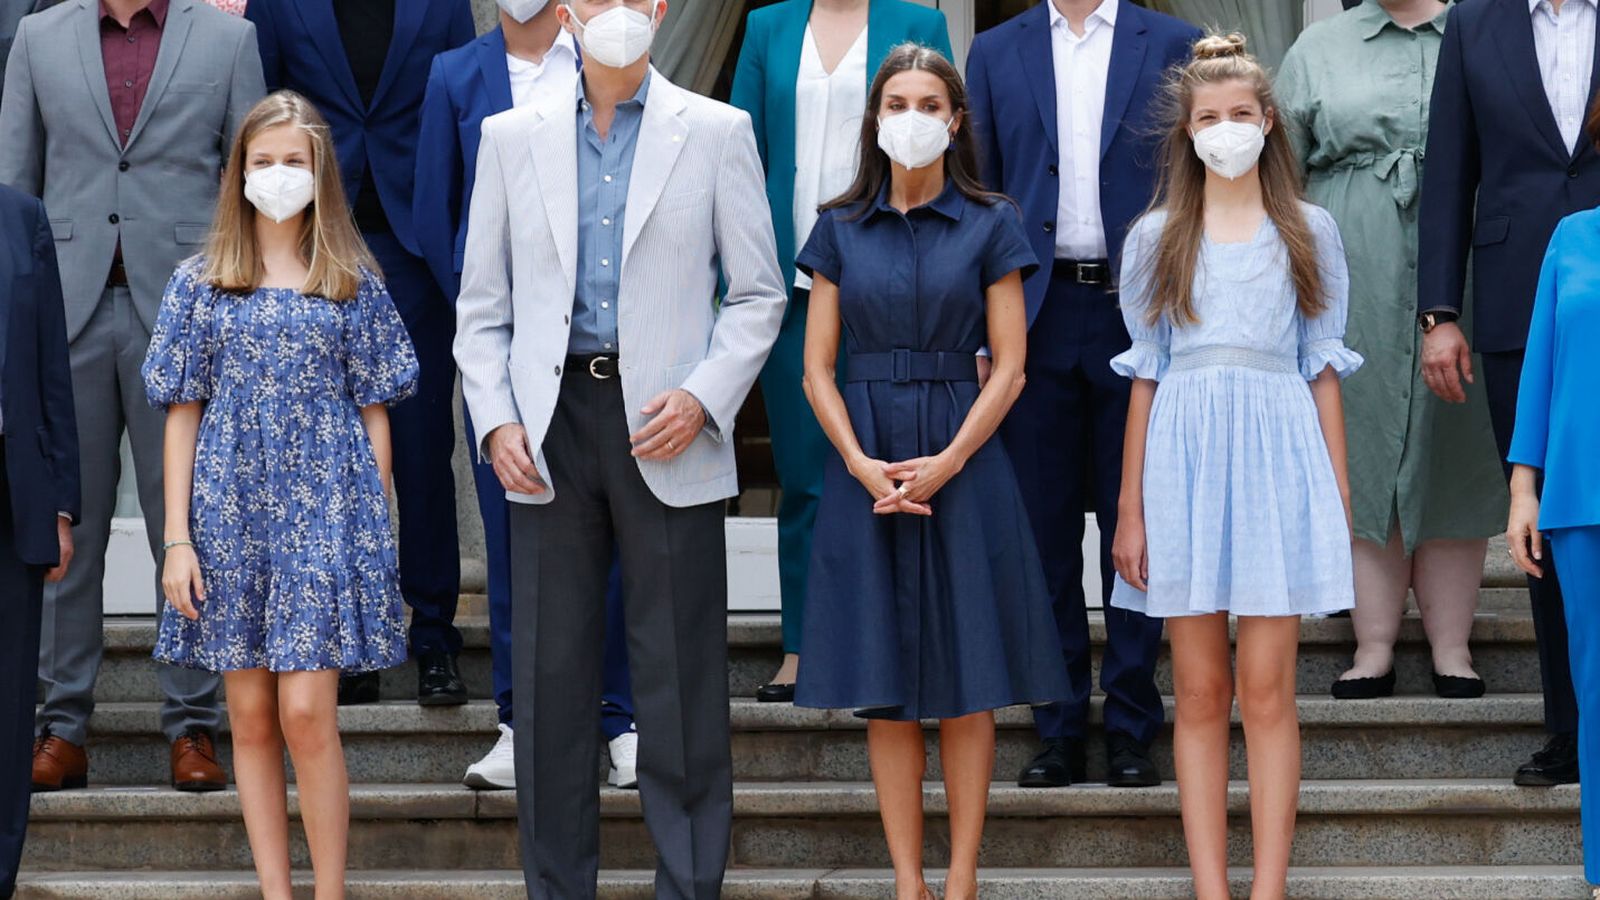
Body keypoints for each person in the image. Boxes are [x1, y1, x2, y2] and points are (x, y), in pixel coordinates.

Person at [454, 0, 786, 894]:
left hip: (667, 425)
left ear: (661, 8)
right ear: (566, 11)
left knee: (679, 677)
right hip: (549, 426)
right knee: (552, 684)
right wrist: (496, 419)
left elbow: (758, 294)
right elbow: (482, 307)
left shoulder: (717, 131)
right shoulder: (509, 137)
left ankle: (688, 884)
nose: (615, 9)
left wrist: (706, 396)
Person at [792, 44, 1069, 900]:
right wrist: (859, 464)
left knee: (970, 680)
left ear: (955, 120)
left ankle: (960, 881)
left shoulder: (993, 221)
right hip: (868, 457)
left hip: (963, 452)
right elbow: (815, 369)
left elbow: (1014, 365)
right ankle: (907, 883)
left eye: (929, 102)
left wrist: (948, 461)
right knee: (882, 685)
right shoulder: (838, 225)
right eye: (896, 101)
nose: (912, 116)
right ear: (876, 119)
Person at [142, 90, 417, 900]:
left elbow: (377, 415)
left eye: (292, 160)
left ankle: (329, 891)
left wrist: (370, 529)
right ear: (239, 173)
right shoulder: (200, 285)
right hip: (230, 522)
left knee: (305, 712)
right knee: (252, 721)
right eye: (262, 161)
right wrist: (177, 538)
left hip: (326, 519)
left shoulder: (350, 281)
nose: (277, 174)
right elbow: (180, 418)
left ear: (319, 171)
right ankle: (276, 891)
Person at [1110, 34, 1359, 900]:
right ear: (1186, 132)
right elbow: (1145, 378)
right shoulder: (1157, 238)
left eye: (1239, 115)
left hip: (1278, 460)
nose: (1225, 130)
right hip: (1182, 461)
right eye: (1208, 118)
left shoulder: (1308, 231)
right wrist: (1130, 509)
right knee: (1202, 688)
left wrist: (1334, 491)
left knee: (1267, 689)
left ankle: (1269, 887)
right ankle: (1211, 886)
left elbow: (1321, 371)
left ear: (1267, 121)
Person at [0, 0, 264, 794]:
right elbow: (14, 187)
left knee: (184, 525)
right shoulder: (39, 39)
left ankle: (193, 728)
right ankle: (62, 725)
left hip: (187, 308)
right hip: (61, 312)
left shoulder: (229, 38)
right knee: (59, 525)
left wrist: (242, 309)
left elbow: (256, 181)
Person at [965, 0, 1200, 790]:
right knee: (1043, 531)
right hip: (1033, 309)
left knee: (1139, 524)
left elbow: (1193, 182)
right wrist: (982, 328)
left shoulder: (1172, 42)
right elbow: (983, 192)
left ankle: (1133, 721)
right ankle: (1058, 723)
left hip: (1142, 309)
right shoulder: (996, 52)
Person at [413, 0, 638, 791]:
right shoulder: (454, 74)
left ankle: (619, 717)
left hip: (596, 347)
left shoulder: (603, 59)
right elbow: (432, 209)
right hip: (504, 351)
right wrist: (489, 308)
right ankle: (520, 720)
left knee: (610, 536)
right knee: (511, 540)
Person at [245, 0, 476, 708]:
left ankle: (434, 633)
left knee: (422, 448)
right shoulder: (280, 4)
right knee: (324, 459)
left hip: (413, 247)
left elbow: (461, 112)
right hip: (311, 247)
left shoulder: (442, 3)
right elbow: (262, 111)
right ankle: (351, 643)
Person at [1276, 0, 1508, 701]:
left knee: (1454, 446)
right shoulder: (1318, 47)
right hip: (1351, 262)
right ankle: (1372, 644)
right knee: (1362, 436)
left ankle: (1452, 646)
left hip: (1462, 261)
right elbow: (1279, 168)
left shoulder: (1483, 32)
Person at [728, 0, 951, 703]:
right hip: (791, 282)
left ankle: (894, 645)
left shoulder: (920, 21)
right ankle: (803, 645)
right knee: (806, 475)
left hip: (893, 281)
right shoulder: (768, 26)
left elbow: (945, 139)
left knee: (895, 468)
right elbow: (742, 150)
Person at [1419, 0, 1600, 787]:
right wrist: (1440, 314)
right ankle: (1571, 730)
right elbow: (1449, 168)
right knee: (1550, 532)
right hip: (1516, 302)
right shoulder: (1471, 22)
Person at [1507, 138, 1600, 900]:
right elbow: (1539, 365)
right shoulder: (1572, 237)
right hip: (1580, 499)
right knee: (1597, 689)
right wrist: (1522, 491)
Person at [0, 183, 80, 900]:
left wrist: (60, 502)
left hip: (13, 495)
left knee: (6, 707)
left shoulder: (20, 217)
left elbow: (51, 366)